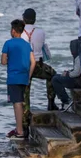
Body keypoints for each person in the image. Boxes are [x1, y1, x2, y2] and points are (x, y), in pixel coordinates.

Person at [20, 8, 58, 138]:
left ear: (23, 19)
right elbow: (43, 47)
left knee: (25, 96)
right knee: (53, 75)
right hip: (39, 65)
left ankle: (25, 128)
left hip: (25, 67)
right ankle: (51, 101)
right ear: (35, 19)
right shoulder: (41, 32)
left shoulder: (20, 32)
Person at [1, 19, 35, 139]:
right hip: (24, 78)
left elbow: (3, 61)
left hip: (13, 78)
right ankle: (20, 128)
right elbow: (33, 62)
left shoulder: (8, 43)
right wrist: (28, 76)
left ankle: (19, 131)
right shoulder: (27, 44)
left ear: (14, 31)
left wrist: (10, 59)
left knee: (17, 104)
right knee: (21, 102)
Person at [51, 39, 81, 111]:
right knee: (56, 76)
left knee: (55, 80)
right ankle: (64, 99)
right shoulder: (79, 56)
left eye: (72, 48)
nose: (71, 50)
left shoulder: (79, 57)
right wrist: (68, 72)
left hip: (78, 81)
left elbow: (77, 72)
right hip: (78, 79)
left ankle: (66, 100)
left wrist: (67, 74)